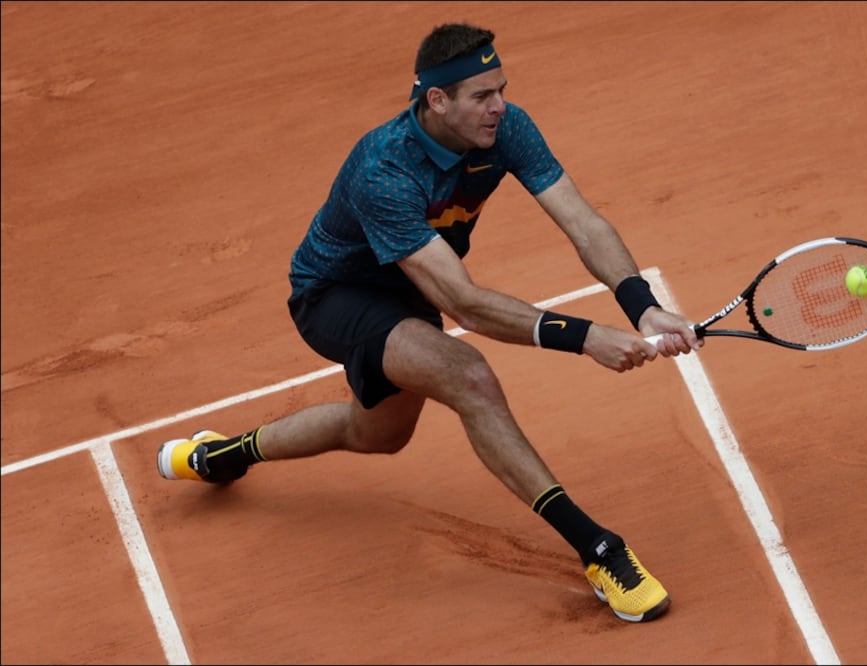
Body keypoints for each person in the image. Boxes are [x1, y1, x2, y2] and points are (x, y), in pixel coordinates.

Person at [157, 22, 702, 623]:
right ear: (436, 100)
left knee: (378, 435)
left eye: (501, 89)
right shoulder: (383, 169)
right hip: (336, 294)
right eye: (481, 96)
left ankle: (229, 452)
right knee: (470, 377)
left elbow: (584, 223)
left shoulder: (507, 127)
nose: (499, 106)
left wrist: (640, 305)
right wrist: (586, 337)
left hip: (410, 289)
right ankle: (599, 549)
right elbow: (463, 305)